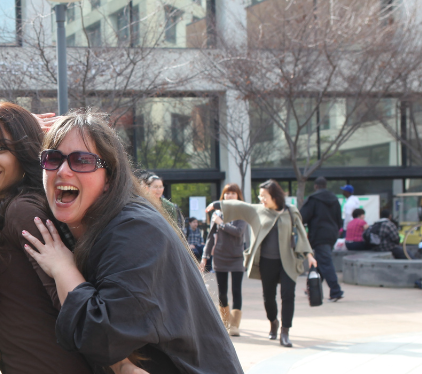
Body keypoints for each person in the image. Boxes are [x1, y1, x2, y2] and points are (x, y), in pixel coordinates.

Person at [23, 109, 242, 373]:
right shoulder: (107, 221)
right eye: (52, 158)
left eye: (82, 160)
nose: (63, 170)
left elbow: (101, 337)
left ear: (110, 179)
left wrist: (62, 268)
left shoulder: (134, 229)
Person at [0, 102, 94, 373]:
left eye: (0, 148)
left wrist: (123, 365)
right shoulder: (3, 209)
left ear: (24, 153)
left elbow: (70, 305)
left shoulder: (21, 210)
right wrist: (11, 121)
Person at [208, 180, 318, 348]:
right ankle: (273, 322)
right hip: (266, 262)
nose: (261, 199)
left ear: (275, 196)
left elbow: (302, 233)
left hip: (288, 261)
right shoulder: (258, 210)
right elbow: (239, 206)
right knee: (269, 298)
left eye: (264, 196)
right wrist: (216, 204)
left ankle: (285, 332)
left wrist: (309, 255)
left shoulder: (290, 211)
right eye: (260, 196)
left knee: (288, 296)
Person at [202, 209, 248, 337]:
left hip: (237, 257)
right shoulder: (217, 213)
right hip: (220, 257)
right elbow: (210, 237)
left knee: (236, 290)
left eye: (233, 193)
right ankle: (226, 322)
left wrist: (221, 223)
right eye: (227, 193)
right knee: (222, 293)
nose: (229, 196)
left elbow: (238, 232)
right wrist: (204, 257)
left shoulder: (241, 213)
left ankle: (234, 325)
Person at [300, 177, 345, 301]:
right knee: (320, 261)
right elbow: (339, 219)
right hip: (332, 234)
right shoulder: (335, 199)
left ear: (316, 186)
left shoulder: (313, 199)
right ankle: (312, 288)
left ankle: (335, 291)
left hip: (319, 234)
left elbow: (302, 217)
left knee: (325, 261)